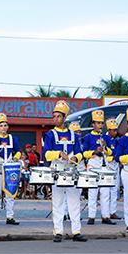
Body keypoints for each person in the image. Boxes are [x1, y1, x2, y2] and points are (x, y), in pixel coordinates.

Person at [43, 100, 86, 243]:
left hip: (71, 170)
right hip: (57, 170)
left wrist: (76, 157)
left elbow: (81, 153)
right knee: (58, 202)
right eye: (54, 116)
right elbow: (46, 154)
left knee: (74, 201)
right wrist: (58, 154)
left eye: (58, 116)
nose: (55, 119)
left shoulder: (73, 135)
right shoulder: (50, 135)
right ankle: (58, 231)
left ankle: (76, 231)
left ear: (64, 118)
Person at [82, 109, 115, 225]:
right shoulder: (88, 137)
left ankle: (105, 216)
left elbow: (111, 152)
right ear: (93, 124)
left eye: (101, 123)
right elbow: (83, 153)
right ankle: (91, 216)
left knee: (105, 192)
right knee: (93, 192)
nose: (100, 125)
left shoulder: (106, 138)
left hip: (104, 165)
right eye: (97, 123)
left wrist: (105, 148)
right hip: (93, 165)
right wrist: (94, 152)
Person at [0, 113, 20, 226]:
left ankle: (10, 217)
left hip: (10, 168)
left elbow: (18, 151)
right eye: (1, 125)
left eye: (5, 125)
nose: (3, 128)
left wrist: (16, 156)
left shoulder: (13, 138)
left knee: (10, 194)